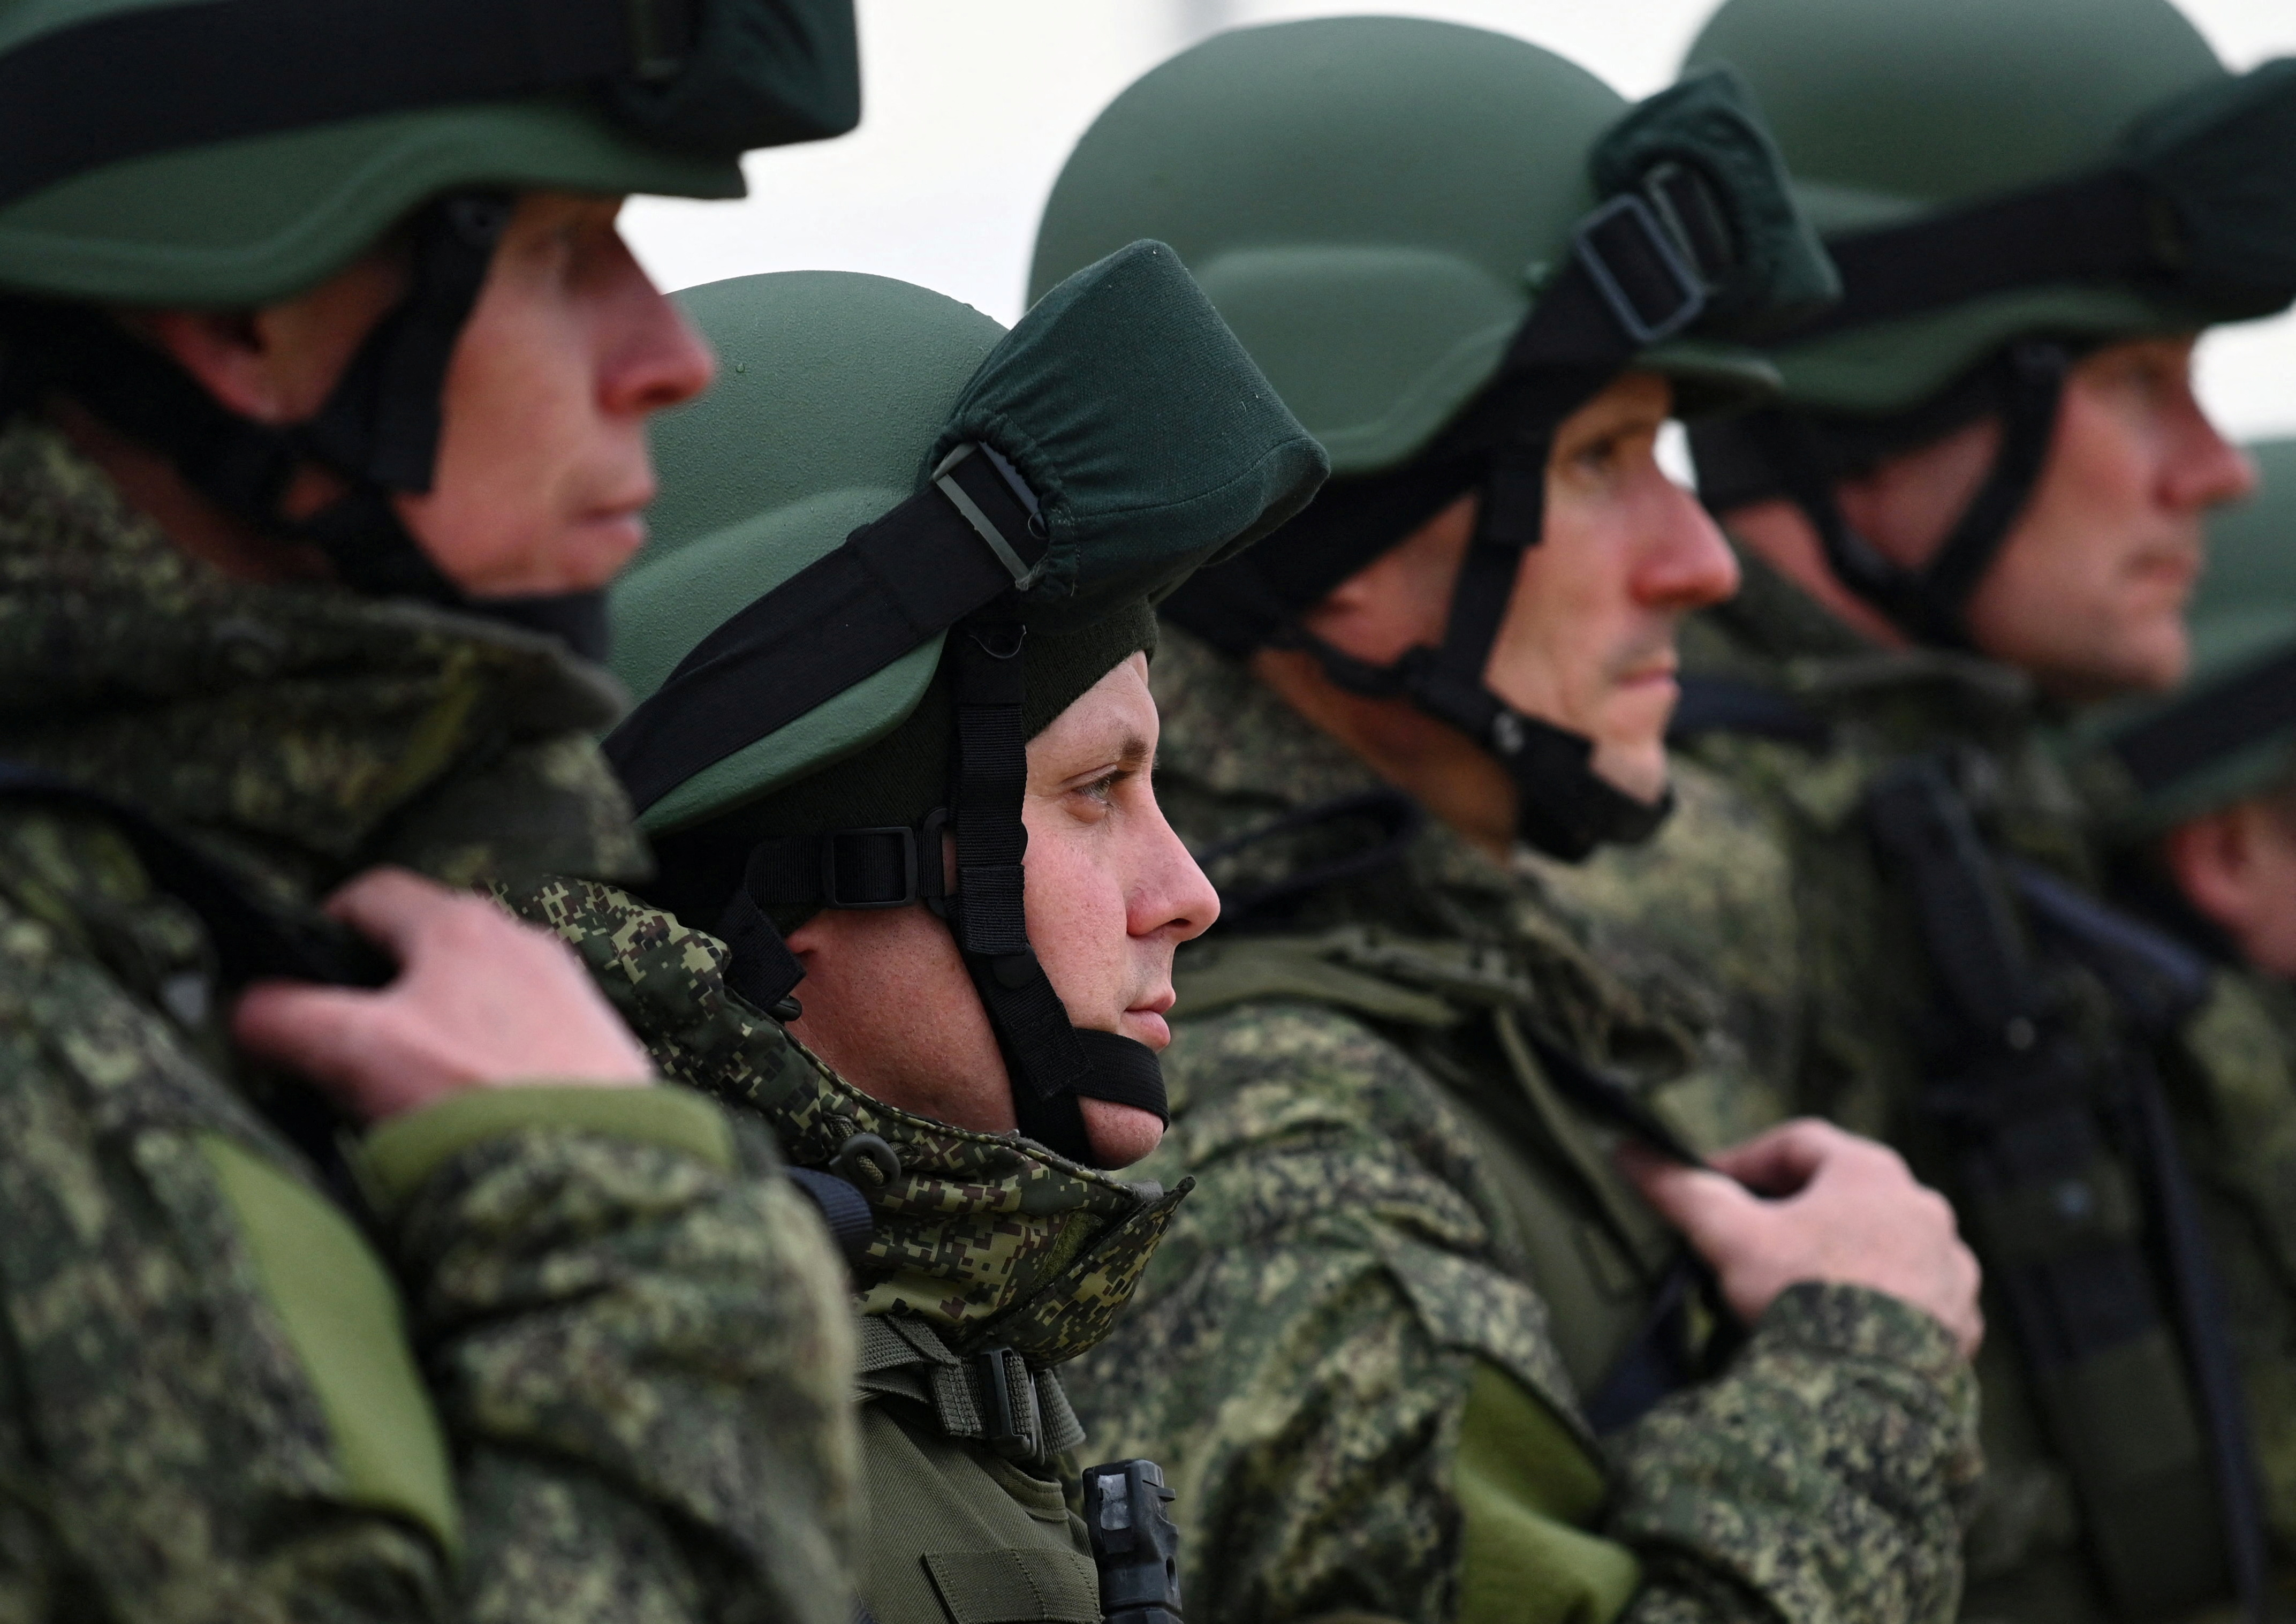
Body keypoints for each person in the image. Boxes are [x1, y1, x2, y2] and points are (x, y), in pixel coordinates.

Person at [1023, 21, 1986, 1624]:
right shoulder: (1257, 1126)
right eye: (1604, 458)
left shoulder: (1427, 982)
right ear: (1332, 528)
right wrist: (1862, 1361)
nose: (1702, 560)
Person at [0, 1, 867, 1617]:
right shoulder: (43, 1046)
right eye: (559, 253)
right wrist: (656, 1283)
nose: (669, 357)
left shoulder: (202, 923)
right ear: (248, 313)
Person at [498, 247, 1328, 1624]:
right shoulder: (668, 1453)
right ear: (796, 864)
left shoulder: (935, 1383)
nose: (1187, 890)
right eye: (1094, 791)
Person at [1593, 0, 2296, 1617]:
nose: (2211, 465)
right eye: (2134, 376)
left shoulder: (1988, 799)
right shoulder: (1669, 863)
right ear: (1893, 384)